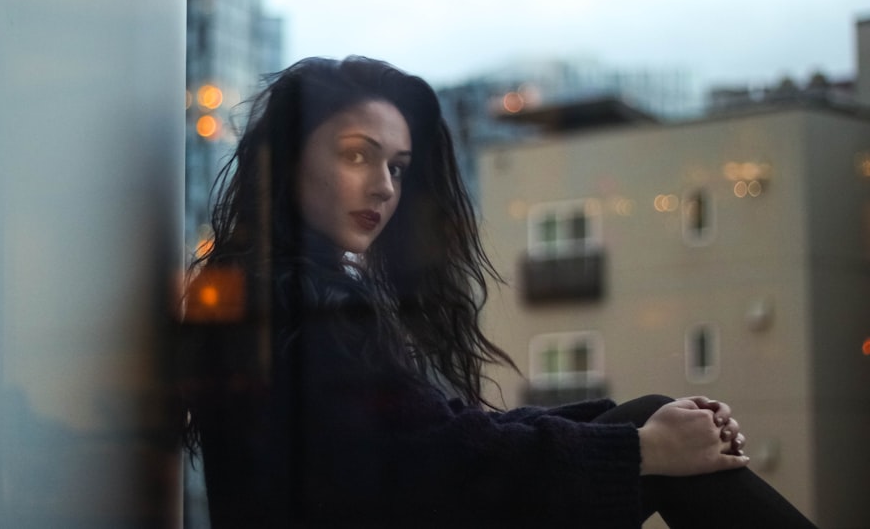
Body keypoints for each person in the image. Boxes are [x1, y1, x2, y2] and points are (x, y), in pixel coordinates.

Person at [178, 56, 817, 528]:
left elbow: (437, 438)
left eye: (397, 167)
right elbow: (434, 462)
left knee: (649, 414)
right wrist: (641, 449)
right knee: (650, 431)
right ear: (289, 160)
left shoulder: (284, 287)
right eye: (355, 156)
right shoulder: (292, 298)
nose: (383, 187)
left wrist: (643, 434)